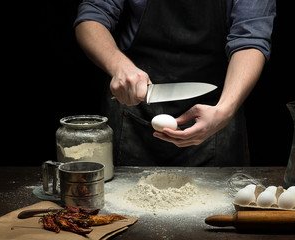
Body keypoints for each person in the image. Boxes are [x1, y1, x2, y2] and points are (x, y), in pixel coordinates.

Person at [73, 0, 276, 167]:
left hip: (216, 115)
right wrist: (119, 66)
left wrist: (225, 109)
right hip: (132, 114)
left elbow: (250, 38)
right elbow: (92, 16)